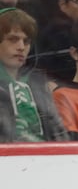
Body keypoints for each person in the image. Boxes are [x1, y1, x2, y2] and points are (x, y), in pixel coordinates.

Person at [0, 8, 68, 142]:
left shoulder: (39, 85)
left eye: (26, 42)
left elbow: (60, 135)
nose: (21, 47)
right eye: (13, 39)